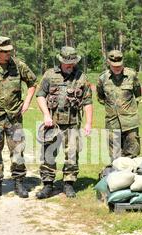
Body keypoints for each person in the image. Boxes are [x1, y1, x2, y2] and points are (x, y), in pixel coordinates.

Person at [0, 36, 37, 199]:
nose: (8, 54)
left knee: (18, 150)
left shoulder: (18, 66)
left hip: (14, 116)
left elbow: (33, 83)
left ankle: (19, 182)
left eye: (9, 51)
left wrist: (26, 103)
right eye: (4, 52)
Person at [36, 46, 93, 199]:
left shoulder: (81, 77)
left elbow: (87, 101)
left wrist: (88, 123)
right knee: (48, 153)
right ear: (60, 60)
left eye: (72, 62)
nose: (70, 65)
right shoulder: (49, 75)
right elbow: (40, 95)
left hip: (72, 123)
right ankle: (48, 185)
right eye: (67, 62)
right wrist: (46, 115)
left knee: (72, 154)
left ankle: (68, 184)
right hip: (52, 123)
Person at [97, 50, 142, 161]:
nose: (117, 68)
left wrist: (128, 110)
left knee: (132, 154)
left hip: (130, 122)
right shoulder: (103, 79)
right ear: (108, 63)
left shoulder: (131, 75)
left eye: (119, 65)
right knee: (115, 157)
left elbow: (138, 95)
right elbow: (101, 97)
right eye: (114, 66)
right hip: (112, 123)